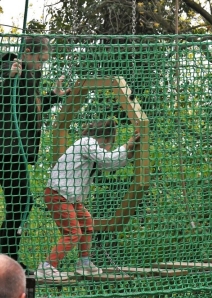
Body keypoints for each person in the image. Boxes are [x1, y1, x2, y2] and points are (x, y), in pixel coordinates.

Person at [36, 119, 140, 280]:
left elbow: (110, 165)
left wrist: (129, 152)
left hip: (70, 197)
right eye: (110, 143)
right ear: (105, 139)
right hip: (58, 194)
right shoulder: (87, 142)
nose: (110, 147)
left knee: (86, 222)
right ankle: (47, 267)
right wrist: (127, 144)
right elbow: (108, 159)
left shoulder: (91, 151)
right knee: (73, 232)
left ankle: (84, 263)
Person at [0, 36, 71, 274]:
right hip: (7, 149)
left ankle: (7, 257)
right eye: (39, 59)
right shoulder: (10, 65)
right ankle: (6, 258)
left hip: (15, 150)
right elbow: (5, 99)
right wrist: (9, 79)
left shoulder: (30, 75)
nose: (42, 65)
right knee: (22, 202)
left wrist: (54, 95)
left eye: (45, 61)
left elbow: (31, 108)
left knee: (21, 203)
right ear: (28, 51)